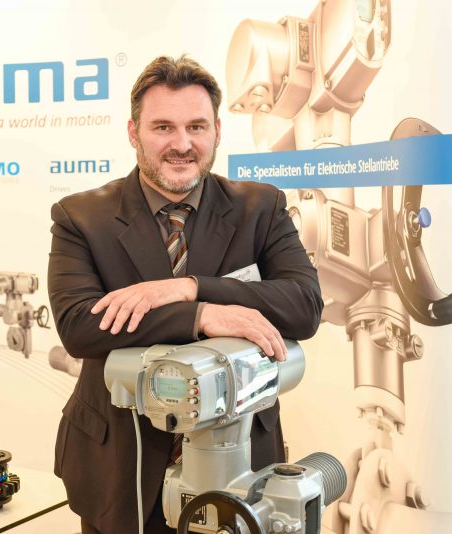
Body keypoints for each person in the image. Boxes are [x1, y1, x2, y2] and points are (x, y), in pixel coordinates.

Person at [48, 55, 322, 534]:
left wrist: (190, 288)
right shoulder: (81, 217)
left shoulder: (261, 208)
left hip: (239, 462)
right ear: (133, 133)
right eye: (163, 127)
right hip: (120, 466)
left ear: (217, 130)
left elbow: (304, 306)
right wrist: (199, 316)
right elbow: (80, 326)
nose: (181, 144)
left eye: (196, 126)